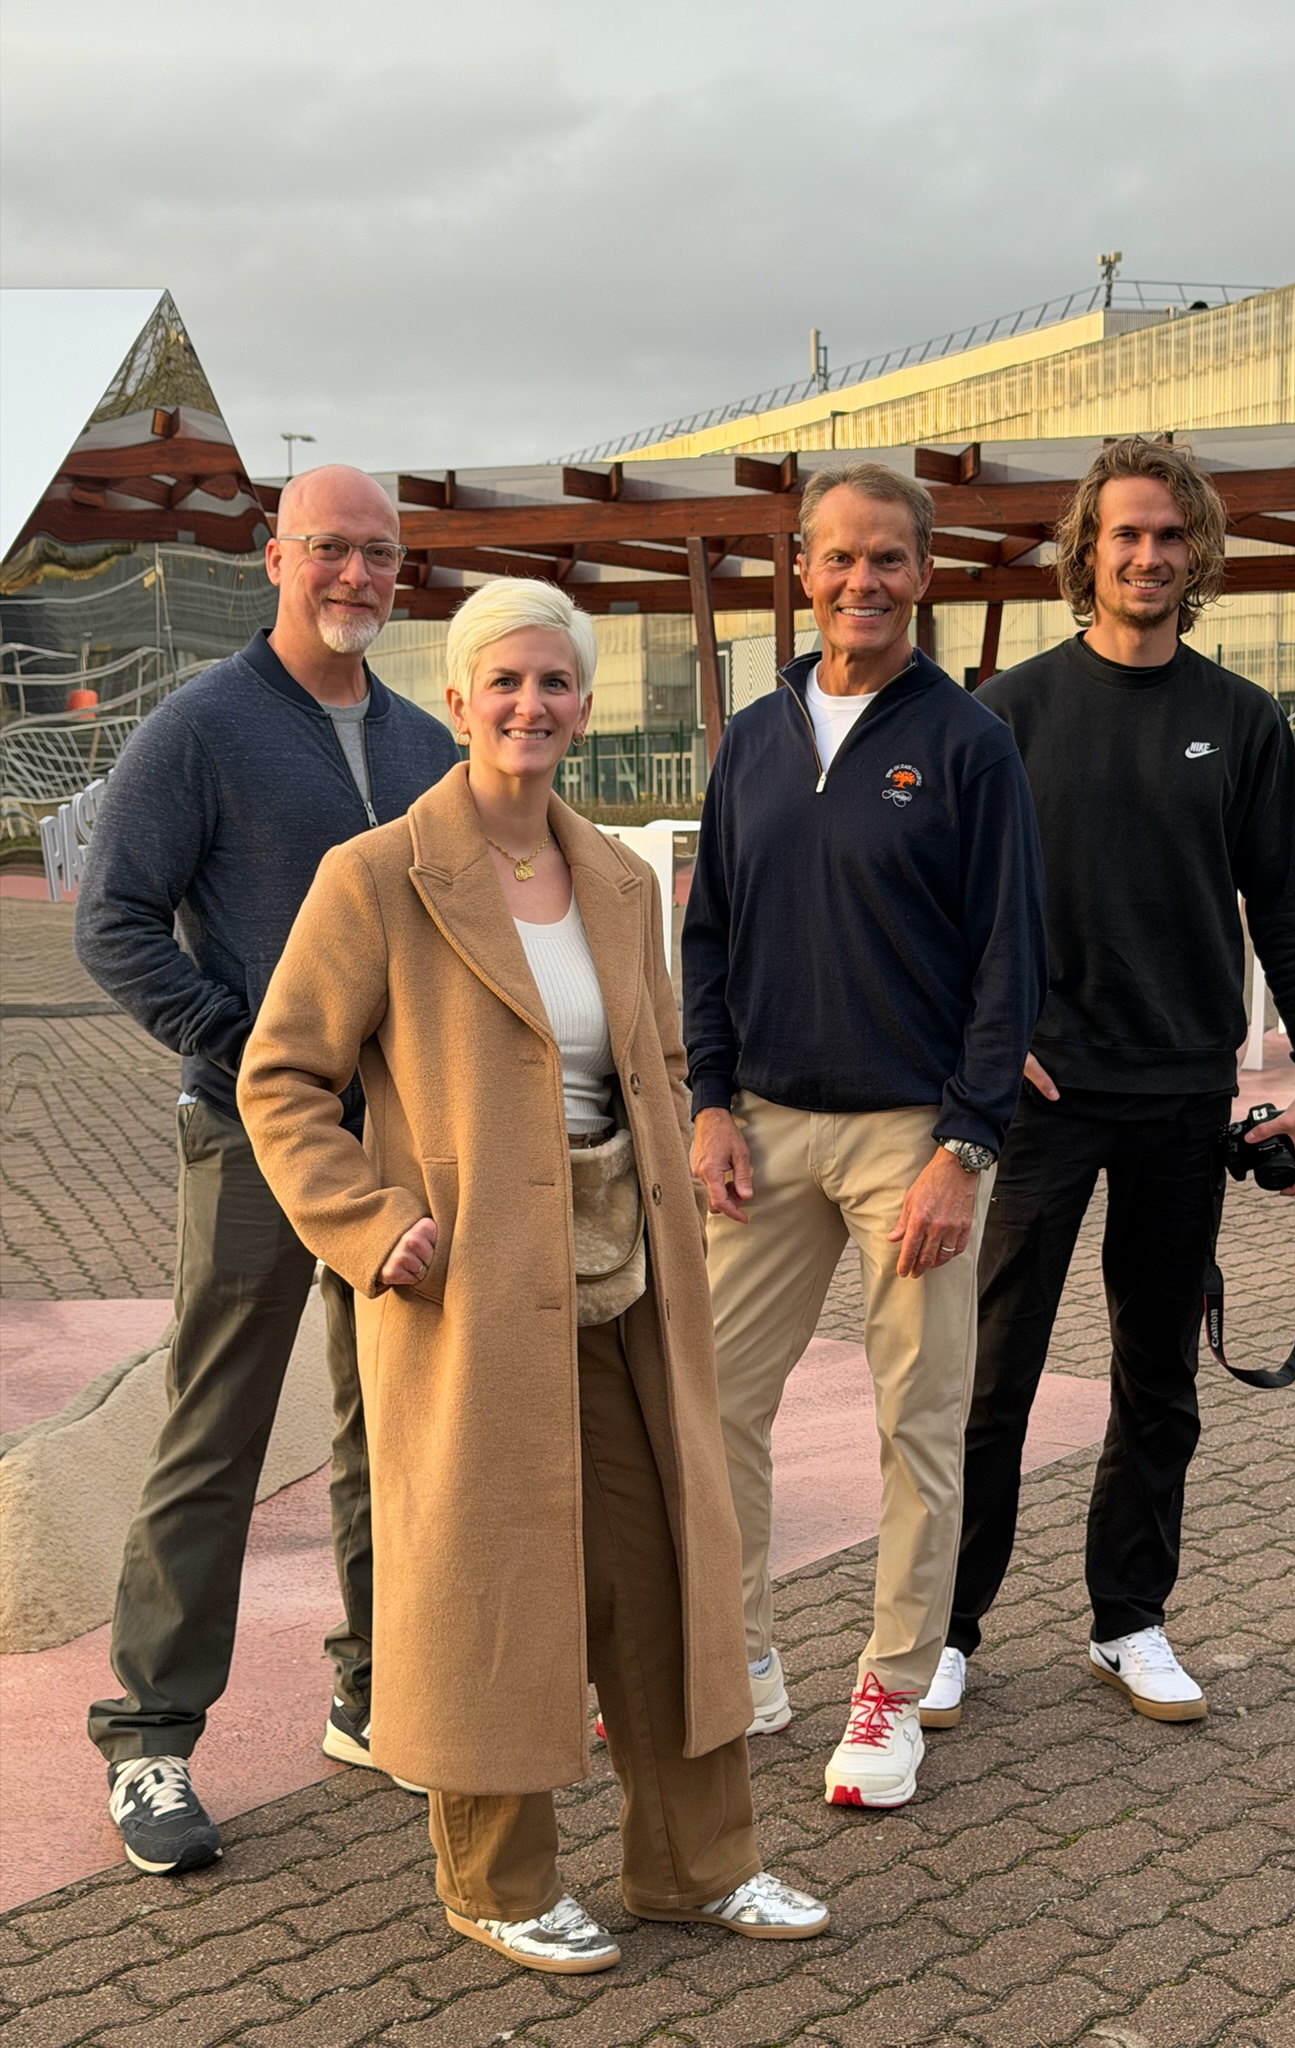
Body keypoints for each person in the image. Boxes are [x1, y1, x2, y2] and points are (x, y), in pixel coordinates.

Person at [237, 578, 827, 1974]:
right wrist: (370, 1224)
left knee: (668, 1571)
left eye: (556, 683)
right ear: (455, 701)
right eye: (504, 683)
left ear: (581, 702)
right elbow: (283, 1080)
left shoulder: (619, 877)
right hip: (470, 1295)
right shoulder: (375, 876)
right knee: (490, 1581)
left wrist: (690, 1147)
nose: (531, 706)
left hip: (628, 1278)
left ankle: (696, 1867)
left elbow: (661, 1058)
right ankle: (496, 1881)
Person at [925, 436, 1295, 1731]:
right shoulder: (1010, 714)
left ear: (1198, 554)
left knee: (1158, 1373)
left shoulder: (1243, 721)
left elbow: (1282, 904)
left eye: (1171, 536)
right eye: (1126, 535)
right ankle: (944, 1633)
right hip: (1042, 1105)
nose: (1149, 556)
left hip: (1180, 1099)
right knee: (994, 1374)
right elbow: (941, 903)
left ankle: (1130, 1620)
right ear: (1087, 552)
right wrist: (979, 1044)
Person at [75, 465, 460, 1875]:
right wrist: (247, 1048)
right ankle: (150, 1737)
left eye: (378, 555)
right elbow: (112, 925)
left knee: (392, 1429)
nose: (355, 576)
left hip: (401, 1142)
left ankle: (375, 1696)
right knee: (218, 1429)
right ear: (274, 557)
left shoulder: (427, 742)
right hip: (251, 1139)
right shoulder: (202, 729)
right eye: (329, 551)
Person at [684, 460, 1047, 1809]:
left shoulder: (967, 744)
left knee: (919, 1423)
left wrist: (966, 1145)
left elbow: (1013, 957)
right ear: (802, 569)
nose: (862, 582)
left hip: (912, 1138)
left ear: (924, 573)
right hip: (765, 1131)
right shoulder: (755, 736)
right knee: (712, 1403)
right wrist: (709, 1099)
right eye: (838, 558)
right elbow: (710, 927)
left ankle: (892, 1688)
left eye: (888, 558)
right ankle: (740, 1663)